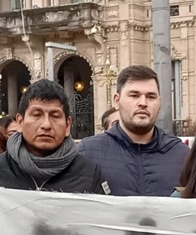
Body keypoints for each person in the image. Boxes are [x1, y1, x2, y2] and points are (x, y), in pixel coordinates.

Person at [78, 65, 189, 196]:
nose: (143, 103)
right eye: (134, 95)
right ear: (117, 101)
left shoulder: (183, 156)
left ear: (160, 103)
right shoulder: (88, 153)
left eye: (151, 97)